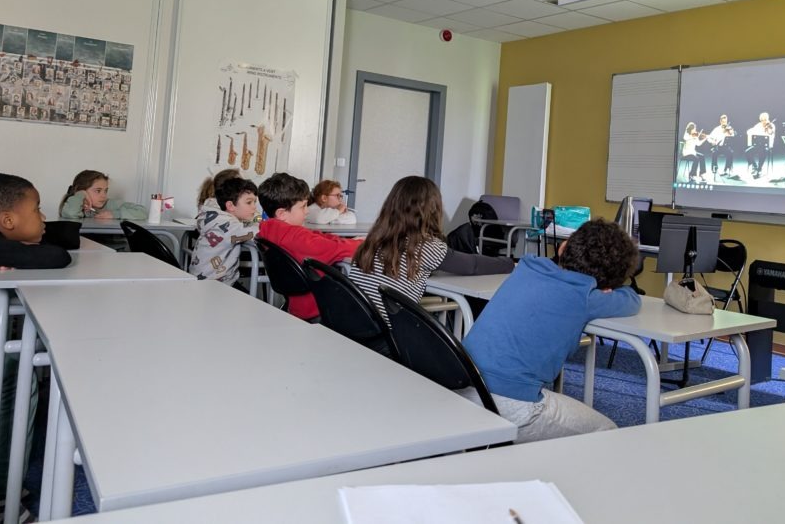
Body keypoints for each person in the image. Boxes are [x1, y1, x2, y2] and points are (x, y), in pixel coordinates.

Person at [462, 219, 640, 443]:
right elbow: (632, 301)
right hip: (510, 403)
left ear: (562, 247)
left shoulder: (528, 267)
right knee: (607, 431)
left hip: (462, 383)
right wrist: (610, 289)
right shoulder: (584, 296)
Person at [0, 172, 72, 521]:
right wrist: (16, 251)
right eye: (37, 209)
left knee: (5, 354)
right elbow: (58, 256)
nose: (43, 217)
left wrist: (13, 251)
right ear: (8, 221)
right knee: (13, 371)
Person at [347, 176, 513, 325]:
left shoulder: (374, 239)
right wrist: (510, 263)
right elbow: (473, 265)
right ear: (432, 210)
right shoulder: (425, 246)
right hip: (388, 335)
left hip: (357, 324)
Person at [256, 173, 361, 320]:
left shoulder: (269, 230)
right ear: (282, 213)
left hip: (298, 304)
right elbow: (336, 249)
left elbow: (317, 236)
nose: (307, 211)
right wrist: (364, 244)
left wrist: (342, 240)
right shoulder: (295, 237)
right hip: (319, 308)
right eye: (303, 206)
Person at [189, 177, 259, 286]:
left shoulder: (217, 217)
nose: (254, 207)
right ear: (230, 206)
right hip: (211, 285)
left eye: (255, 202)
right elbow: (256, 233)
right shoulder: (229, 227)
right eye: (249, 202)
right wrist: (270, 224)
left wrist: (256, 220)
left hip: (202, 278)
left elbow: (251, 222)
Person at [59, 170, 147, 220]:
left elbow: (143, 212)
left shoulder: (112, 204)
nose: (104, 196)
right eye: (98, 191)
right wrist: (81, 193)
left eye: (105, 191)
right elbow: (70, 213)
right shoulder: (74, 204)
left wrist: (114, 214)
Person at [745, 112, 776, 179]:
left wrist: (768, 129)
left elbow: (771, 134)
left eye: (765, 120)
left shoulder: (771, 125)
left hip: (767, 146)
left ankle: (759, 169)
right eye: (762, 120)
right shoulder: (758, 125)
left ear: (768, 119)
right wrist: (751, 132)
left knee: (762, 151)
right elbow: (749, 131)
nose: (764, 122)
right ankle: (755, 166)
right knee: (747, 152)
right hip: (758, 145)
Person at [706, 114, 736, 178]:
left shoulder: (729, 128)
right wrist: (712, 142)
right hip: (718, 147)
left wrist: (730, 132)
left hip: (726, 147)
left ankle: (726, 169)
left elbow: (733, 135)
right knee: (714, 153)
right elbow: (709, 137)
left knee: (730, 153)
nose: (724, 123)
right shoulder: (716, 129)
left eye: (726, 122)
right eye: (723, 122)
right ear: (720, 121)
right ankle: (715, 167)